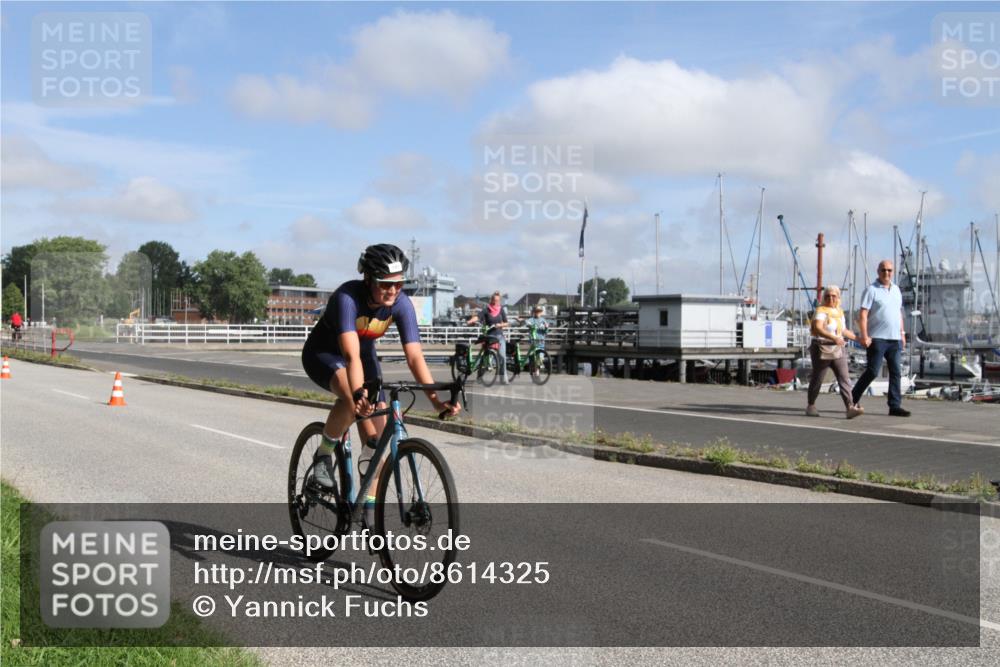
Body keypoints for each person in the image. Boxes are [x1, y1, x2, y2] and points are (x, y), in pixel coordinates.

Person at [301, 244, 461, 495]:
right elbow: (351, 356)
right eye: (385, 284)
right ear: (367, 279)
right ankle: (323, 456)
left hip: (364, 358)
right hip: (325, 354)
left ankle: (368, 520)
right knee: (351, 399)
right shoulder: (347, 298)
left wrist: (436, 401)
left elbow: (415, 356)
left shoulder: (401, 304)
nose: (393, 290)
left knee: (376, 446)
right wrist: (358, 395)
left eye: (399, 284)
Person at [851, 259, 910, 417]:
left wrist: (902, 334)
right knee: (872, 371)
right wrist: (864, 335)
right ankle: (852, 398)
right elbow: (863, 314)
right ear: (878, 271)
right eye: (883, 270)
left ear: (893, 272)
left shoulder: (896, 290)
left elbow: (899, 314)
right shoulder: (871, 290)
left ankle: (894, 406)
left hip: (895, 339)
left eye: (889, 270)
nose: (887, 273)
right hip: (877, 338)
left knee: (896, 371)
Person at [805, 286, 863, 419]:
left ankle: (850, 407)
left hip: (838, 348)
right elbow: (818, 328)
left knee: (844, 378)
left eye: (834, 296)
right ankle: (811, 405)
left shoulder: (839, 312)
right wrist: (834, 338)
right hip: (822, 348)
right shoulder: (821, 310)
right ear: (824, 298)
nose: (831, 298)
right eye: (827, 296)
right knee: (818, 379)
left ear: (838, 298)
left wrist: (859, 339)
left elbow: (843, 330)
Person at [466, 291, 510, 384]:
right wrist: (470, 321)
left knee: (502, 356)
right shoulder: (487, 309)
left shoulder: (501, 310)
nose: (495, 302)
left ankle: (503, 378)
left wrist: (500, 324)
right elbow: (478, 317)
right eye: (494, 300)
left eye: (497, 300)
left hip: (499, 336)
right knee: (486, 357)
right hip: (489, 336)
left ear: (500, 301)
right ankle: (480, 376)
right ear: (491, 300)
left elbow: (507, 323)